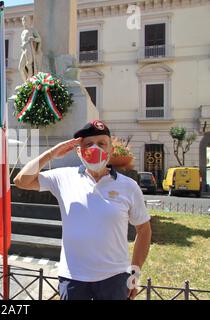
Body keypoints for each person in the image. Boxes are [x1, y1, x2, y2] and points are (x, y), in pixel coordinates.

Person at [14, 120, 152, 300]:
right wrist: (51, 154)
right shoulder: (63, 177)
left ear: (111, 149)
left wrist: (134, 273)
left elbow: (144, 230)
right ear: (79, 151)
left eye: (102, 144)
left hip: (114, 278)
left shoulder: (129, 186)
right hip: (73, 278)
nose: (95, 149)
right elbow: (21, 181)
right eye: (88, 144)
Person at [19, 15, 42, 82]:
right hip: (23, 49)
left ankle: (30, 79)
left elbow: (39, 39)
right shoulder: (22, 32)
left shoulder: (32, 30)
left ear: (29, 21)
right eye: (23, 20)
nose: (24, 22)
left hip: (29, 48)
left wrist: (33, 39)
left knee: (29, 63)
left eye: (26, 20)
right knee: (20, 67)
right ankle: (25, 82)